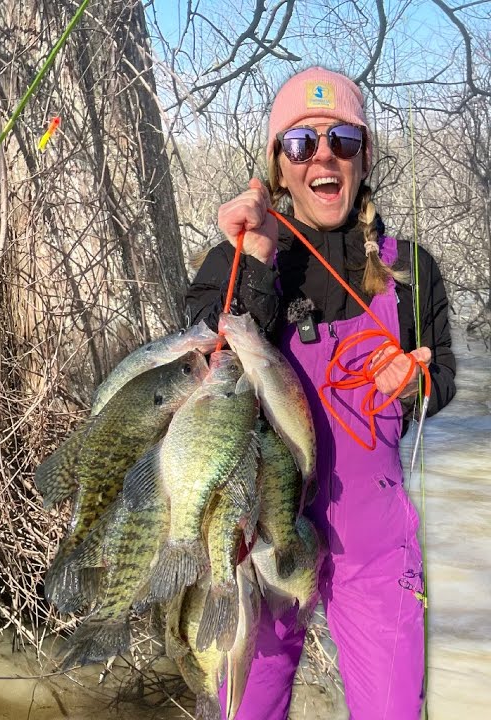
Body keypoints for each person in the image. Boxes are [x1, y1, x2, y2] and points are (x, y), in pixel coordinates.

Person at [185, 67, 457, 720]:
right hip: (260, 539)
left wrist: (417, 384)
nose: (324, 155)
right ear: (279, 165)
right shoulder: (234, 263)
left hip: (375, 549)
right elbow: (205, 366)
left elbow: (440, 376)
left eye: (341, 137)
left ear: (365, 154)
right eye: (302, 144)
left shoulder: (411, 268)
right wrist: (254, 261)